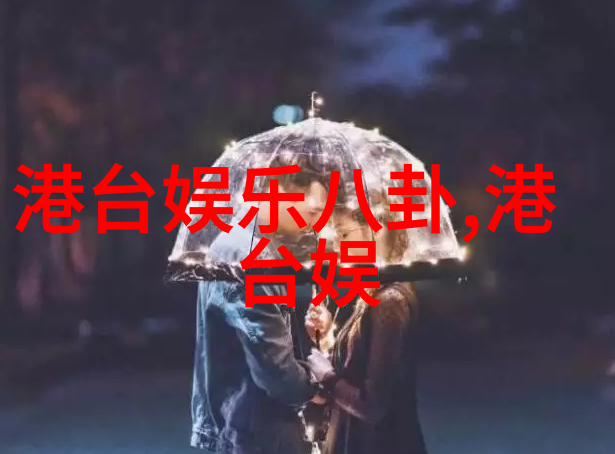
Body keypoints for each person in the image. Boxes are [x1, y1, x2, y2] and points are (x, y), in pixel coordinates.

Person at [190, 151, 337, 454]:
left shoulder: (243, 244)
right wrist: (316, 385)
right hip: (258, 428)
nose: (315, 223)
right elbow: (274, 368)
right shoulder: (250, 257)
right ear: (279, 188)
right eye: (313, 211)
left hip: (242, 419)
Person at [305, 192, 428, 454]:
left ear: (376, 230)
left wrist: (327, 376)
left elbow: (372, 405)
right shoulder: (373, 292)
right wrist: (327, 337)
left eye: (343, 234)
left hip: (379, 444)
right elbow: (357, 367)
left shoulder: (390, 301)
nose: (336, 244)